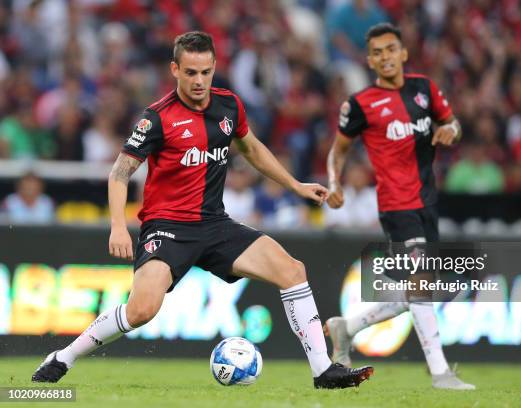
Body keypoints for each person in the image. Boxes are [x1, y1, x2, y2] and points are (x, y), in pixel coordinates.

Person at [32, 31, 373, 389]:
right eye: (191, 72)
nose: (199, 81)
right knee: (142, 311)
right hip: (167, 228)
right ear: (175, 69)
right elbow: (119, 173)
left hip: (214, 224)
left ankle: (323, 371)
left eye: (205, 72)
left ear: (213, 69)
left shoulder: (228, 107)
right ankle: (64, 356)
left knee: (292, 270)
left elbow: (253, 149)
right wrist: (118, 226)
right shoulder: (157, 118)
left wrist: (295, 185)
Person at [325, 23, 474, 390]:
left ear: (403, 53)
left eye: (391, 49)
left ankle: (348, 328)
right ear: (370, 59)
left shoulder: (425, 89)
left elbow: (453, 124)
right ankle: (440, 373)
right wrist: (334, 182)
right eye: (377, 52)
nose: (385, 57)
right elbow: (339, 149)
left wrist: (450, 131)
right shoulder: (360, 104)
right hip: (397, 206)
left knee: (417, 292)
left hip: (427, 201)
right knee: (421, 283)